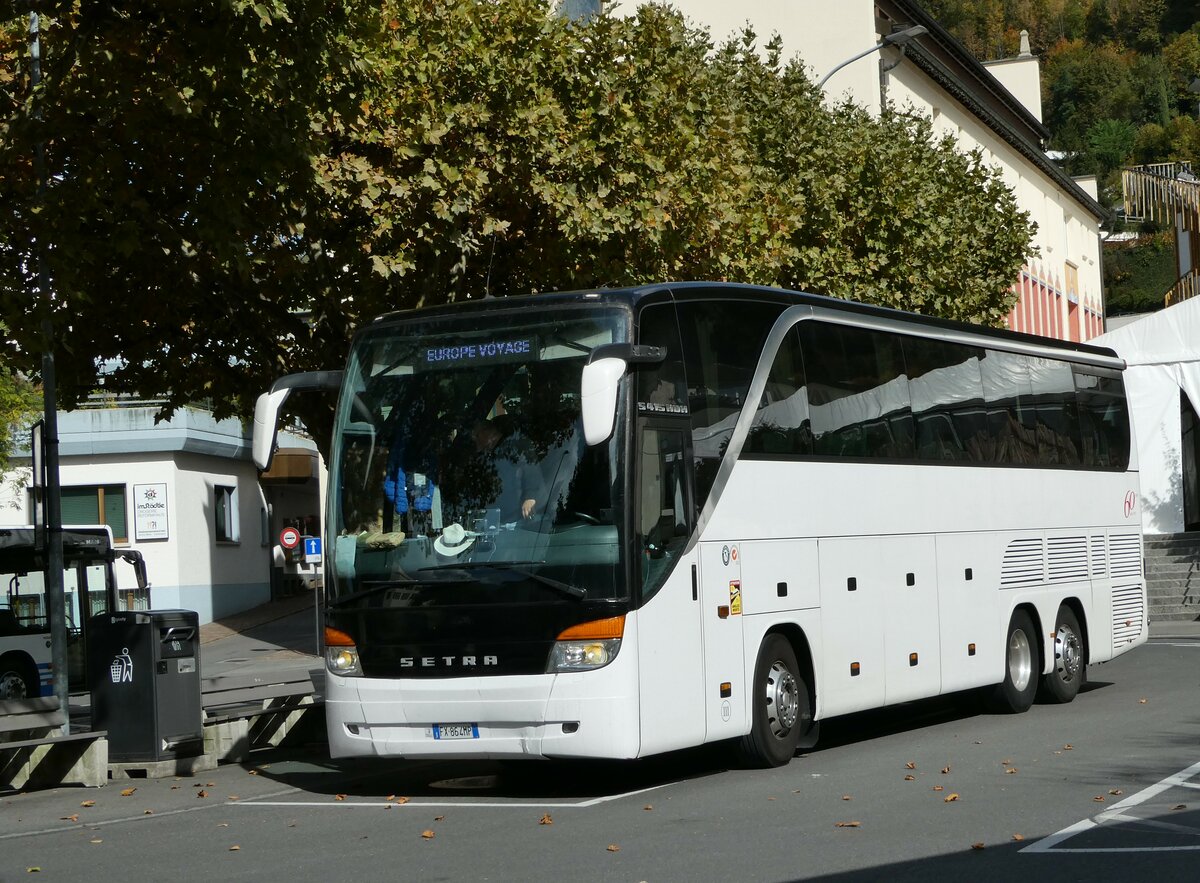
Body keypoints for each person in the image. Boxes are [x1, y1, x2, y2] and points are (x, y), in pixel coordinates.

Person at [469, 417, 544, 520]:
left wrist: (530, 497)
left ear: (488, 432)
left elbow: (531, 472)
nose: (475, 441)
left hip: (518, 519)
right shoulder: (483, 457)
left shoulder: (515, 447)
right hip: (492, 519)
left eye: (477, 435)